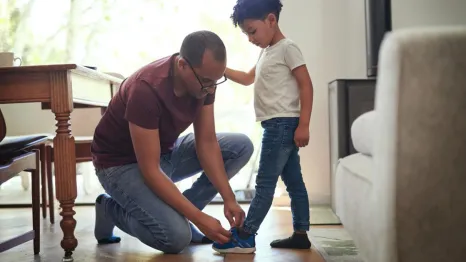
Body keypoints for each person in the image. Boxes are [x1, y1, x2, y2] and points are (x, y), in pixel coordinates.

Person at [90, 30, 255, 254]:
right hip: (120, 165)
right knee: (175, 237)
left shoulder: (205, 82)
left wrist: (229, 198)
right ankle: (109, 208)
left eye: (215, 81)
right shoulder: (146, 89)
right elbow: (150, 170)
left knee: (241, 146)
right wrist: (198, 219)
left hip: (163, 152)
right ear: (182, 65)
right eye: (206, 81)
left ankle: (182, 212)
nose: (210, 88)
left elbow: (206, 142)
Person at [212, 0, 314, 254]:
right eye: (246, 33)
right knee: (294, 182)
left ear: (271, 20)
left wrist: (304, 125)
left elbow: (306, 85)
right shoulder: (266, 51)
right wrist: (219, 69)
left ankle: (246, 235)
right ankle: (301, 234)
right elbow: (248, 79)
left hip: (282, 125)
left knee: (265, 183)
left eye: (252, 31)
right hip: (278, 125)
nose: (249, 38)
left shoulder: (287, 48)